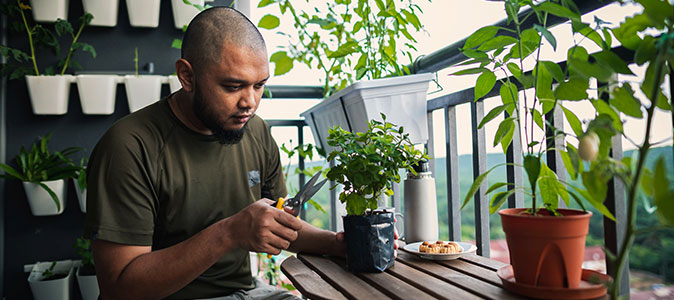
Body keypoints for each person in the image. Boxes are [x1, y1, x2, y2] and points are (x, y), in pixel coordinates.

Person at [84, 7, 351, 300]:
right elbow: (119, 288)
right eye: (233, 86)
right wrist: (229, 233)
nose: (249, 102)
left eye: (259, 85)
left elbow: (280, 224)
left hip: (244, 293)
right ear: (187, 76)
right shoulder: (129, 146)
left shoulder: (257, 132)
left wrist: (339, 243)